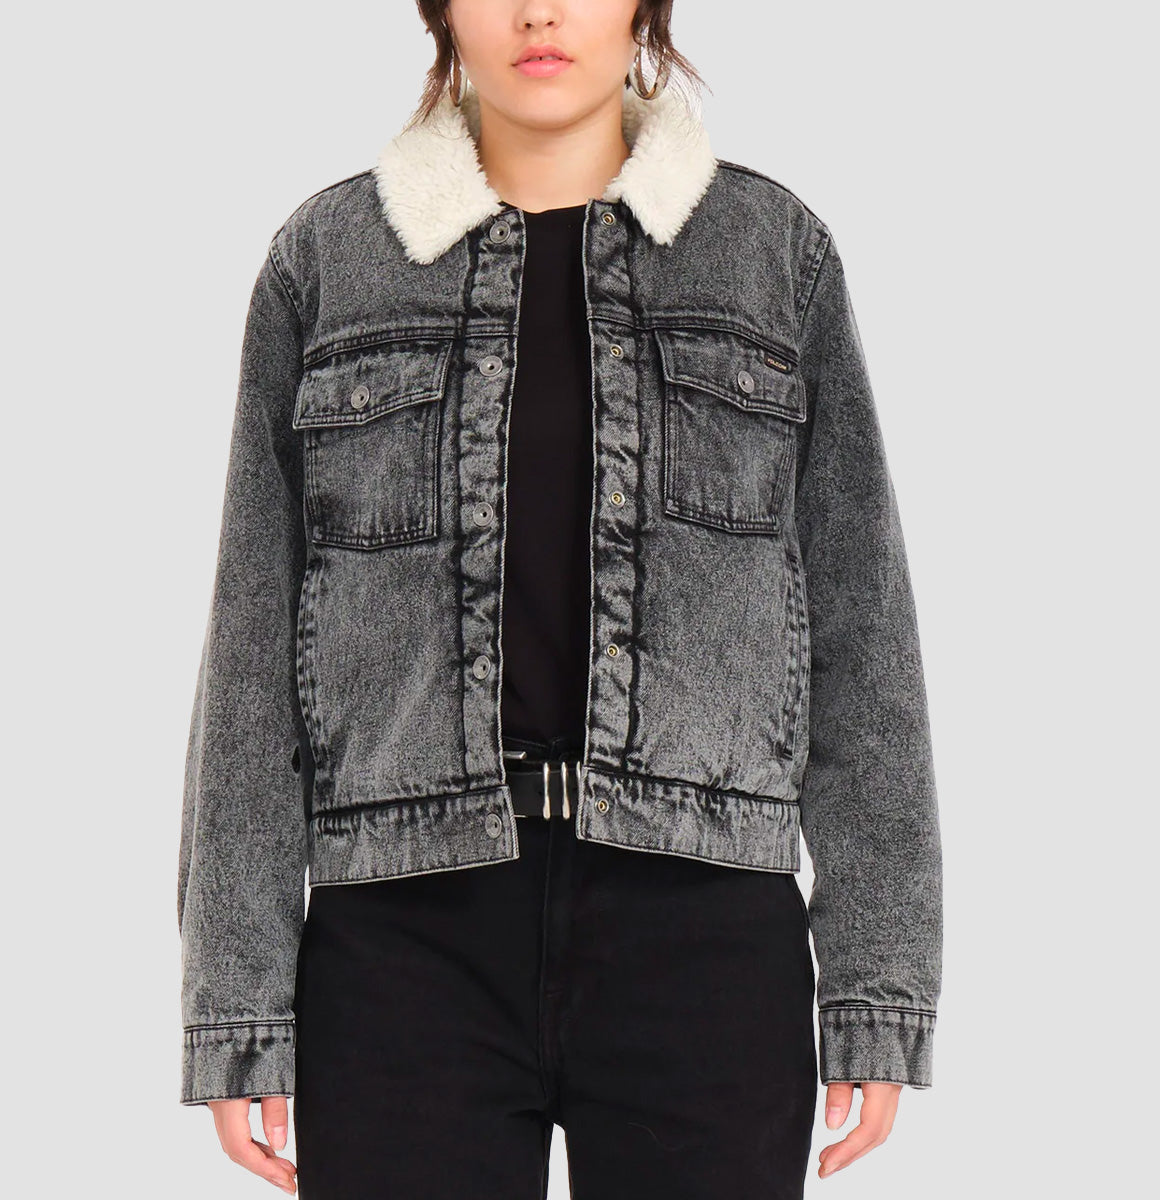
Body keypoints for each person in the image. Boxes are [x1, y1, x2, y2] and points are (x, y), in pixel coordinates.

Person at [176, 1, 944, 1196]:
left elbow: (861, 628)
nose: (539, 11)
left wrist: (875, 984)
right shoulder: (327, 262)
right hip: (403, 936)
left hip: (703, 924)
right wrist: (239, 1003)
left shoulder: (771, 253)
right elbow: (250, 646)